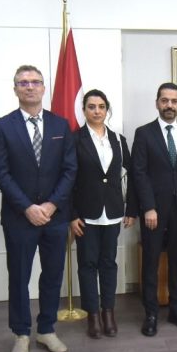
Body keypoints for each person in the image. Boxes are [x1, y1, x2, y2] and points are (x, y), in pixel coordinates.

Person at [0, 64, 76, 352]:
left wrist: (51, 205)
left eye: (35, 82)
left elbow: (70, 170)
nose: (29, 87)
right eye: (23, 82)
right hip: (19, 217)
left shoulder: (60, 125)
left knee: (52, 275)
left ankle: (46, 329)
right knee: (19, 277)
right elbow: (1, 173)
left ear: (43, 87)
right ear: (15, 89)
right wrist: (27, 207)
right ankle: (21, 333)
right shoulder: (3, 126)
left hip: (55, 217)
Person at [131, 82, 177, 337]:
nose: (169, 105)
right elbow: (139, 173)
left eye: (174, 101)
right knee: (150, 261)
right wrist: (148, 207)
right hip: (154, 211)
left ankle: (176, 308)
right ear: (157, 103)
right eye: (165, 100)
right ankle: (151, 313)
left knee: (176, 260)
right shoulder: (144, 133)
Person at [71, 89, 137, 338]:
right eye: (91, 106)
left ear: (107, 109)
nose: (97, 111)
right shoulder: (74, 140)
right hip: (85, 214)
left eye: (101, 106)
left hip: (113, 212)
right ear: (84, 110)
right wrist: (71, 215)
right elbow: (68, 179)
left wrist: (131, 209)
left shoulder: (118, 139)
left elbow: (133, 175)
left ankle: (108, 312)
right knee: (87, 264)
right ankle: (93, 315)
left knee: (108, 263)